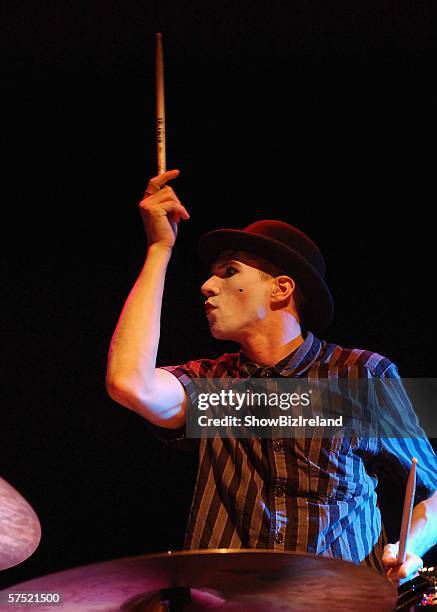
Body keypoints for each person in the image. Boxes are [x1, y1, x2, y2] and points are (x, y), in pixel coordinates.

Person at [106, 169, 437, 585]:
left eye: (229, 272)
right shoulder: (214, 387)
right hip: (229, 601)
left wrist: (413, 544)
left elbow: (432, 488)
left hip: (341, 600)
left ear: (281, 289)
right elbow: (128, 383)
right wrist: (159, 248)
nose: (206, 285)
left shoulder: (361, 377)